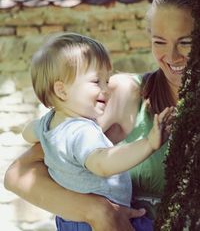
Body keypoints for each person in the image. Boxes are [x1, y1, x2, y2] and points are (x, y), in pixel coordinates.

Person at [4, 0, 193, 229]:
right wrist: (97, 211)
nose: (172, 56)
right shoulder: (122, 93)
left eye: (186, 42)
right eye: (159, 42)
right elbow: (18, 175)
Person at [22, 32, 172, 231]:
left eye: (107, 81)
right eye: (96, 82)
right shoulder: (82, 131)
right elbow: (102, 163)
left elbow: (27, 132)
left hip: (73, 219)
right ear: (62, 91)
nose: (107, 89)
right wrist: (148, 144)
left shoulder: (48, 122)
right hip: (98, 222)